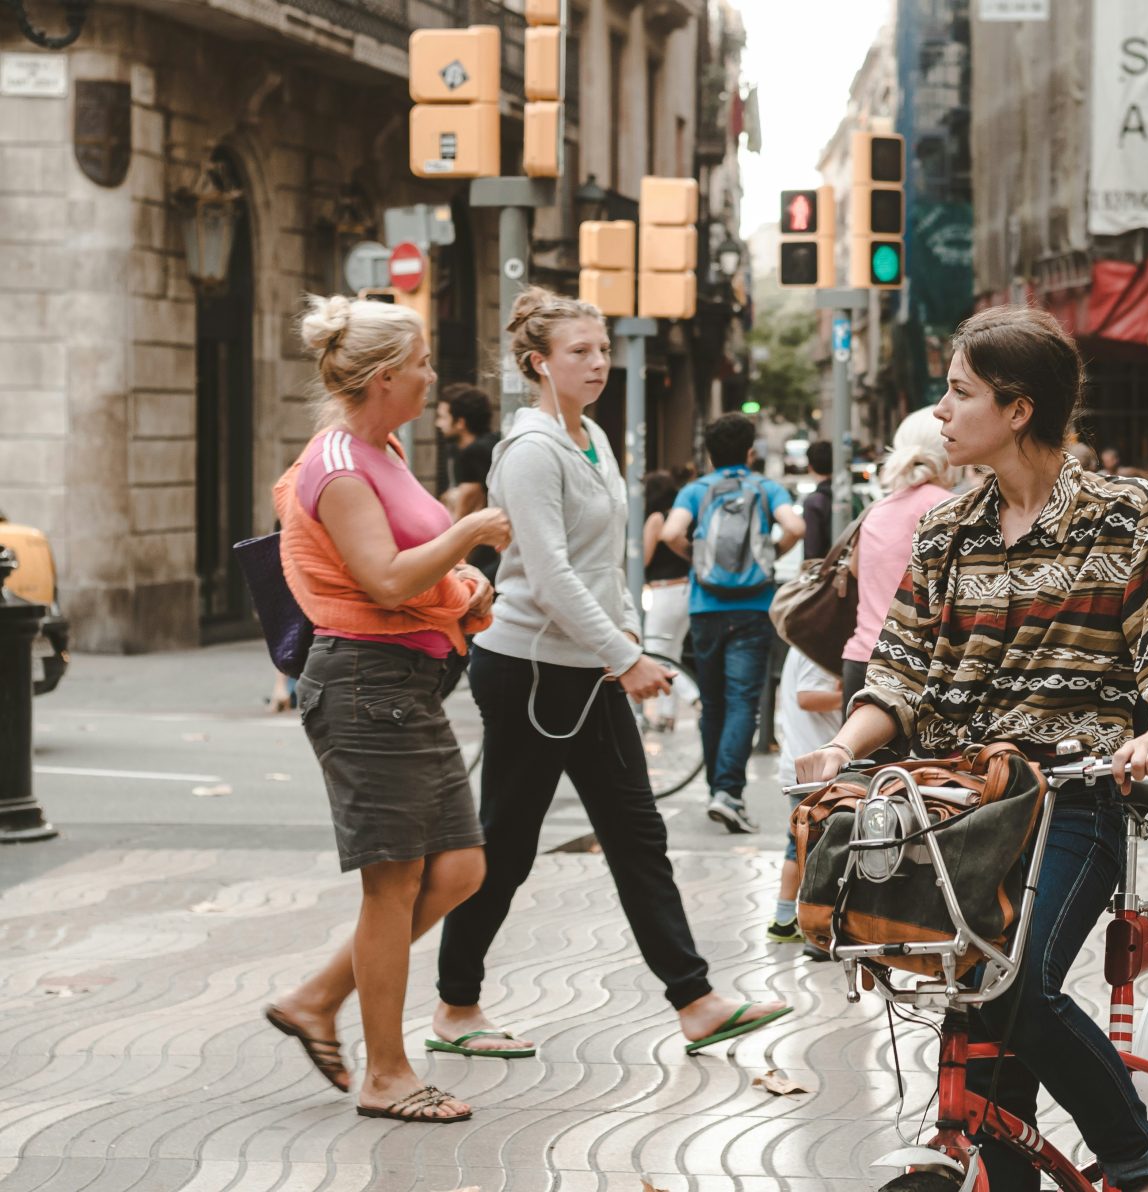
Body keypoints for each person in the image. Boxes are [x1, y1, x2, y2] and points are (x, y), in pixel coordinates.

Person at [794, 305, 1148, 1192]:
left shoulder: (1126, 516)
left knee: (1014, 986)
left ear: (1018, 408)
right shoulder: (945, 530)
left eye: (959, 393)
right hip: (960, 809)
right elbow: (899, 675)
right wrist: (842, 746)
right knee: (974, 1008)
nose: (942, 412)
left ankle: (1137, 1164)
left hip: (1075, 801)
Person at [432, 288, 790, 1059]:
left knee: (636, 833)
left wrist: (623, 633)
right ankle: (455, 1006)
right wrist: (624, 657)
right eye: (579, 353)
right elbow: (552, 574)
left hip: (585, 665)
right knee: (508, 842)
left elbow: (599, 565)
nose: (598, 363)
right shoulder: (530, 450)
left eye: (602, 350)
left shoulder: (589, 434)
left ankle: (695, 1002)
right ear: (539, 363)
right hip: (531, 667)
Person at [264, 295, 511, 1124]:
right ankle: (386, 1074)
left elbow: (414, 567)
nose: (432, 377)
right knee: (393, 885)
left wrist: (461, 586)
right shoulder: (337, 464)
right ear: (381, 380)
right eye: (421, 366)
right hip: (367, 686)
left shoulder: (384, 448)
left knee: (459, 870)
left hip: (404, 683)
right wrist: (470, 533)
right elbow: (385, 578)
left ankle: (316, 998)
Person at [660, 413, 805, 834]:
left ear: (708, 454)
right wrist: (770, 557)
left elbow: (672, 533)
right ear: (750, 452)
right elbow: (795, 525)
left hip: (706, 607)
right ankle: (729, 793)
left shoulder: (696, 490)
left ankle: (716, 791)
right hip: (753, 607)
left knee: (713, 701)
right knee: (744, 701)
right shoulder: (765, 488)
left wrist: (698, 562)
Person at [839, 407, 957, 718]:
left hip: (860, 663)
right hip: (912, 671)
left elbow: (854, 570)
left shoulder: (878, 508)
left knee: (861, 767)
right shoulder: (944, 507)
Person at [766, 645, 841, 944]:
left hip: (809, 763)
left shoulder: (805, 642)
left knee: (798, 844)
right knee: (811, 847)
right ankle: (810, 923)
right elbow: (808, 697)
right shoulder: (817, 647)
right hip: (815, 767)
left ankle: (785, 919)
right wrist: (855, 693)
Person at [435, 382, 502, 582]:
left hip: (493, 545)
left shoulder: (472, 453)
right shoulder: (494, 442)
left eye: (442, 417)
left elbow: (463, 514)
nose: (438, 424)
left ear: (460, 422)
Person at [641, 469, 691, 659]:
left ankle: (685, 690)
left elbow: (643, 559)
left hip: (664, 591)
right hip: (686, 590)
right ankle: (683, 689)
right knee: (672, 654)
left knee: (656, 652)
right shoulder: (682, 517)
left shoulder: (656, 518)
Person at [800, 439, 833, 560]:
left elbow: (811, 551)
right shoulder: (852, 497)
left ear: (810, 467)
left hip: (828, 573)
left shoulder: (813, 502)